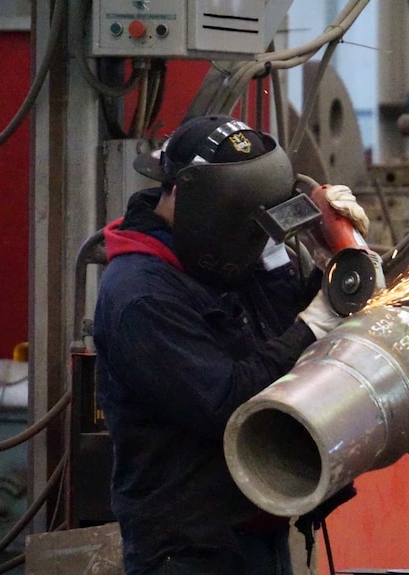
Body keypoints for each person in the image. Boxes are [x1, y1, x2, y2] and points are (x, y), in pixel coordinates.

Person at [93, 114, 368, 575]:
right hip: (187, 550)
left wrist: (338, 262)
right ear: (185, 194)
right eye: (243, 219)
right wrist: (316, 321)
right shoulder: (140, 297)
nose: (257, 240)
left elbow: (288, 328)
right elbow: (230, 404)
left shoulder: (228, 251)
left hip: (260, 531)